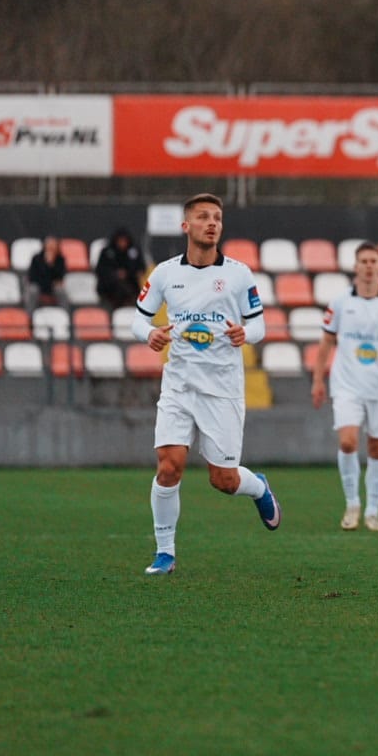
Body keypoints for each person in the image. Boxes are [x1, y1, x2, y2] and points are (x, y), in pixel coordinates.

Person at [131, 194, 277, 576]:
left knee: (223, 481)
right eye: (203, 217)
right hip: (179, 385)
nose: (212, 223)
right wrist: (149, 334)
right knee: (169, 466)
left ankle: (259, 488)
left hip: (221, 389)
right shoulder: (165, 273)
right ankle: (165, 553)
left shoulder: (239, 274)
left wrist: (246, 333)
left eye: (217, 217)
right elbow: (138, 319)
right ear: (186, 226)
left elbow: (259, 324)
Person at [312, 242, 378, 533]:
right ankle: (352, 503)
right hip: (346, 384)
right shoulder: (340, 302)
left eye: (373, 261)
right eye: (364, 261)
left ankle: (373, 511)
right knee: (347, 442)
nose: (369, 266)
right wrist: (318, 380)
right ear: (355, 267)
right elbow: (326, 343)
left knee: (377, 449)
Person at [96, 226, 146, 308]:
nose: (122, 243)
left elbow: (141, 268)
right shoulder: (106, 252)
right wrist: (115, 274)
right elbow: (100, 270)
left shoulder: (134, 252)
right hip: (110, 288)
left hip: (131, 285)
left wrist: (129, 273)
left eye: (124, 241)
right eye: (120, 241)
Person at [25, 235, 68, 308]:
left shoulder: (61, 259)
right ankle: (29, 313)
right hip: (39, 284)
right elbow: (33, 276)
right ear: (45, 245)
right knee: (32, 290)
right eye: (49, 244)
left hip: (52, 286)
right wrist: (46, 265)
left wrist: (51, 265)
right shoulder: (36, 258)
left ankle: (65, 312)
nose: (51, 247)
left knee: (61, 291)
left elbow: (60, 277)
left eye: (53, 245)